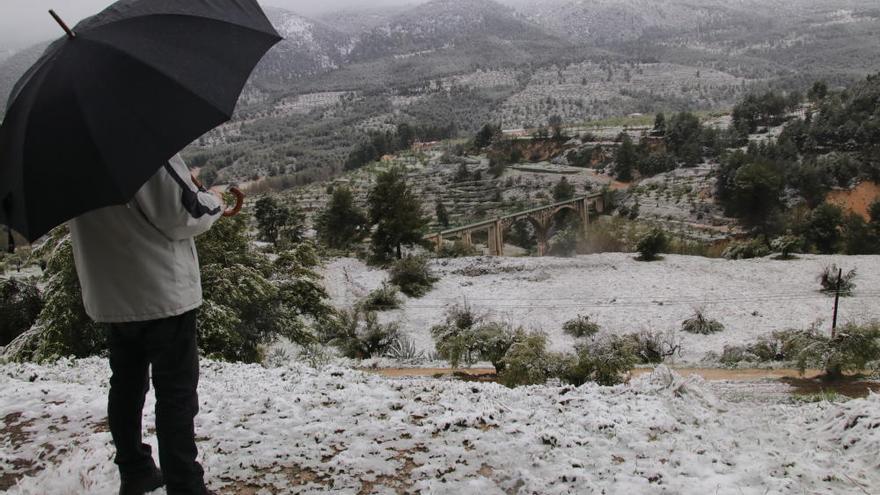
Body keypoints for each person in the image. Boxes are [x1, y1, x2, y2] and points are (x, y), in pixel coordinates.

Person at [69, 154, 225, 495]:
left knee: (125, 385)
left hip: (110, 292)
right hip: (161, 290)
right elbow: (182, 214)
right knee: (176, 393)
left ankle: (136, 470)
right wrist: (214, 200)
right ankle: (184, 485)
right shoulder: (140, 144)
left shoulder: (67, 154)